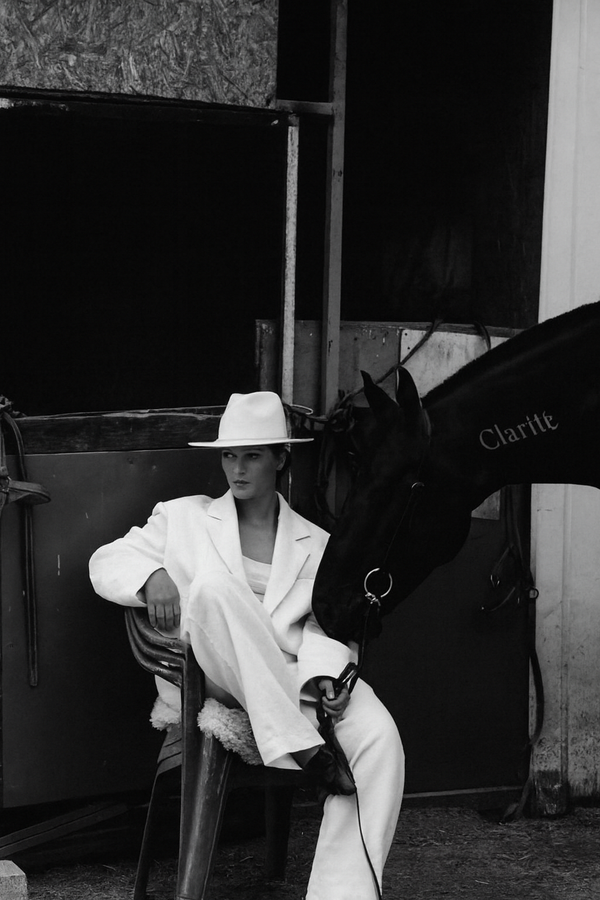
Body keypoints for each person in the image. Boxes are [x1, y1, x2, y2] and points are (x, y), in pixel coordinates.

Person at [89, 390, 404, 899]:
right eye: (229, 455)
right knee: (213, 590)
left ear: (281, 459)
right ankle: (305, 750)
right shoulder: (184, 517)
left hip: (290, 675)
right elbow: (104, 561)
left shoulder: (316, 543)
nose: (237, 469)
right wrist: (153, 575)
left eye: (252, 455)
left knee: (380, 738)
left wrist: (331, 675)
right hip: (212, 677)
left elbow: (328, 625)